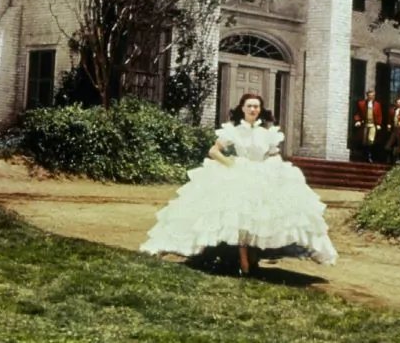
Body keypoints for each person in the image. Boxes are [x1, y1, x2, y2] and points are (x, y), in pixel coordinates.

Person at [140, 92, 338, 275]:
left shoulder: (266, 133)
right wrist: (230, 164)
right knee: (239, 215)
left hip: (261, 173)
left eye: (256, 106)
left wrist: (274, 168)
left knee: (259, 217)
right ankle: (243, 262)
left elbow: (273, 154)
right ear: (242, 108)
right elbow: (213, 151)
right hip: (239, 172)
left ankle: (253, 258)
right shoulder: (233, 131)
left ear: (260, 110)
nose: (253, 109)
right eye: (249, 106)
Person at [353, 89, 383, 162]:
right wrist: (358, 121)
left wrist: (378, 124)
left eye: (372, 96)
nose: (371, 97)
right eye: (369, 96)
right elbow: (358, 113)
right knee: (364, 140)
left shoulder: (377, 105)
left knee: (371, 140)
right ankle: (364, 155)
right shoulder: (362, 104)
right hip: (365, 124)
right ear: (367, 96)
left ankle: (369, 155)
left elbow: (379, 115)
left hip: (372, 124)